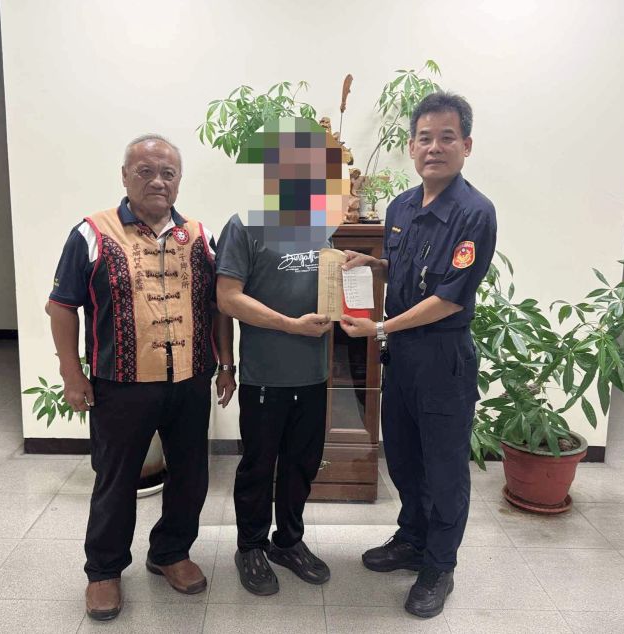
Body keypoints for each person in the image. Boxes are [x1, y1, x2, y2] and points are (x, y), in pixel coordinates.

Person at [46, 134, 236, 621]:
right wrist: (72, 374)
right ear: (125, 176)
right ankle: (104, 570)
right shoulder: (92, 233)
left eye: (168, 173)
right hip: (121, 384)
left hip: (190, 380)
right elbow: (62, 307)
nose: (157, 181)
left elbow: (221, 305)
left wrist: (225, 364)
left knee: (190, 474)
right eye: (145, 171)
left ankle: (170, 551)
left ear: (179, 180)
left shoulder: (199, 235)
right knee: (116, 479)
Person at [340, 92, 497, 618]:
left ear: (466, 145)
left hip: (443, 357)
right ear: (411, 147)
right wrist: (370, 264)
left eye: (446, 137)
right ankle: (412, 538)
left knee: (445, 470)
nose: (434, 147)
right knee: (405, 458)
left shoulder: (475, 213)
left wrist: (380, 327)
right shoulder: (401, 207)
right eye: (424, 138)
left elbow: (448, 297)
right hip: (402, 356)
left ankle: (439, 566)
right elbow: (406, 271)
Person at [215, 117, 351, 596]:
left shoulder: (321, 230)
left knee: (302, 464)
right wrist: (290, 326)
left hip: (313, 374)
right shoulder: (244, 226)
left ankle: (288, 542)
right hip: (265, 377)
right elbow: (227, 298)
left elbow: (328, 292)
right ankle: (250, 546)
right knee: (258, 465)